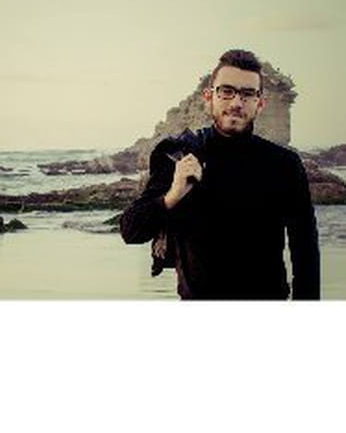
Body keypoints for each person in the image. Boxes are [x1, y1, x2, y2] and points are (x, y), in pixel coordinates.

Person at [120, 49, 320, 300]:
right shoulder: (180, 157)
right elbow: (130, 231)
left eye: (247, 94)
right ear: (209, 97)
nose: (236, 103)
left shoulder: (285, 164)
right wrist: (173, 195)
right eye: (227, 91)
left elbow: (305, 251)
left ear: (260, 103)